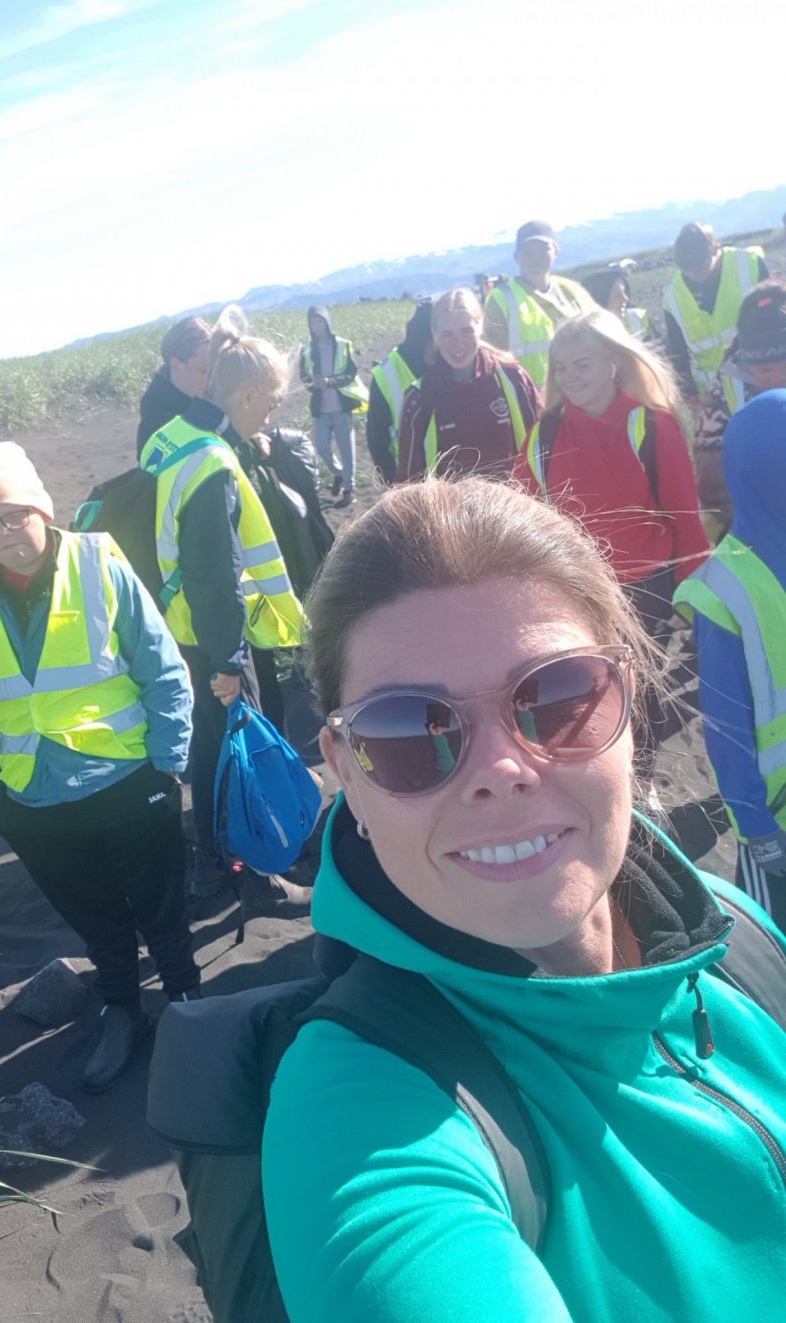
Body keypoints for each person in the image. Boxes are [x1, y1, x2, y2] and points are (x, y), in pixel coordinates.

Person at [261, 476, 786, 1323]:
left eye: (556, 697)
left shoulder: (734, 930)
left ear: (627, 696)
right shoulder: (361, 1113)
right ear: (345, 770)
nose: (502, 770)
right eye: (408, 732)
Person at [0, 443, 200, 1093]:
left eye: (14, 515)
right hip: (33, 803)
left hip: (127, 780)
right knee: (97, 920)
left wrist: (167, 762)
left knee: (162, 908)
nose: (3, 533)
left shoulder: (98, 562)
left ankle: (189, 1006)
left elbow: (162, 668)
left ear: (41, 509)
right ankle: (123, 1008)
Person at [140, 308, 312, 914]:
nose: (271, 416)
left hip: (182, 631)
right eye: (269, 403)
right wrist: (229, 659)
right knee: (232, 757)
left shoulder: (174, 437)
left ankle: (214, 865)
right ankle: (245, 869)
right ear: (244, 394)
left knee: (212, 753)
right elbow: (216, 575)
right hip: (209, 639)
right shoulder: (213, 463)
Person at [513, 310, 710, 774]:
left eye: (582, 364)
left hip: (648, 588)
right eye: (561, 367)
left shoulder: (649, 425)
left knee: (641, 693)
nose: (569, 377)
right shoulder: (546, 433)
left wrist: (697, 599)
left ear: (614, 363)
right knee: (590, 692)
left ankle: (639, 784)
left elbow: (685, 516)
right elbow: (524, 509)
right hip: (579, 589)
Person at [675, 391, 786, 931]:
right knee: (775, 953)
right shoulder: (724, 589)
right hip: (774, 818)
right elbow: (725, 724)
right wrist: (754, 824)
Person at [397, 289, 541, 482]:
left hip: (513, 509)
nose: (458, 344)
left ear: (480, 326)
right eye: (447, 334)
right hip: (453, 511)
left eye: (467, 331)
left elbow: (543, 450)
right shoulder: (419, 399)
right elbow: (409, 481)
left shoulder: (514, 379)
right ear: (434, 335)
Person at [693, 281, 786, 539]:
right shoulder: (725, 390)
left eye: (785, 367)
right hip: (763, 530)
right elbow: (711, 478)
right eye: (765, 370)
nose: (777, 379)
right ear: (746, 358)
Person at [662, 222, 768, 414]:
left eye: (699, 267)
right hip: (714, 397)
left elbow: (777, 318)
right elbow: (677, 353)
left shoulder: (750, 264)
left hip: (762, 380)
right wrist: (689, 394)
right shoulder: (672, 296)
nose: (693, 274)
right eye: (687, 270)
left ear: (715, 250)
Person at [483, 220, 596, 390]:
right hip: (534, 403)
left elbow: (602, 340)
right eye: (527, 252)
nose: (536, 258)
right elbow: (491, 359)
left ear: (555, 251)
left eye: (544, 250)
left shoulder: (573, 291)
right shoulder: (501, 299)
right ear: (517, 257)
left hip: (583, 395)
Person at [299, 306, 369, 507]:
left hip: (341, 406)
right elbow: (303, 376)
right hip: (321, 407)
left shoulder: (342, 345)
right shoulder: (307, 349)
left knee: (347, 450)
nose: (317, 325)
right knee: (321, 446)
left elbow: (350, 372)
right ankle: (338, 473)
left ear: (327, 322)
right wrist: (314, 384)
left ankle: (349, 488)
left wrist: (331, 382)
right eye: (313, 322)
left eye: (320, 321)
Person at [367, 299, 434, 483]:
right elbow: (377, 441)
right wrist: (394, 484)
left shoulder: (447, 363)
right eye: (432, 342)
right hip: (410, 482)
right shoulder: (385, 376)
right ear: (420, 340)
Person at [136, 316, 212, 457]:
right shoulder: (157, 421)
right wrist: (251, 446)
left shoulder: (194, 393)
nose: (212, 379)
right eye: (205, 371)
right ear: (176, 364)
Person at [581, 266, 654, 339]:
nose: (625, 298)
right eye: (617, 296)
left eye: (625, 292)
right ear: (600, 302)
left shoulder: (637, 319)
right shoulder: (586, 337)